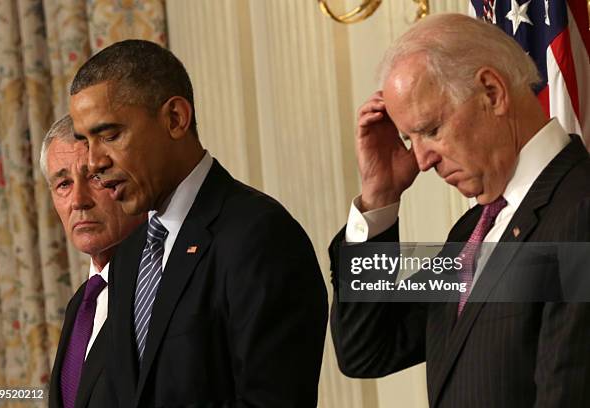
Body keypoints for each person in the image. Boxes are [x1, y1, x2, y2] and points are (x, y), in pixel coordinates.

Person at [329, 13, 590, 407]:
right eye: (408, 138)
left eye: (431, 130)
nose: (420, 160)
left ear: (491, 92)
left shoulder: (580, 210)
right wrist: (378, 201)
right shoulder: (467, 233)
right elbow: (366, 350)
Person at [69, 40, 328, 407]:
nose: (94, 162)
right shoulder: (128, 258)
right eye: (85, 141)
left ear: (175, 119)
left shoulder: (259, 236)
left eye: (110, 135)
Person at [44, 115, 145, 408]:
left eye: (93, 177)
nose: (79, 200)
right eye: (63, 183)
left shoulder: (160, 284)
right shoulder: (81, 304)